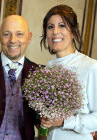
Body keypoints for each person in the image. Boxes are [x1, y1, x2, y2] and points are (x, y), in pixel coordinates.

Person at [39, 4, 97, 140]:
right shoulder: (48, 68)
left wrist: (65, 121)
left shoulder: (90, 67)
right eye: (50, 27)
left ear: (73, 32)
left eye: (62, 25)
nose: (55, 32)